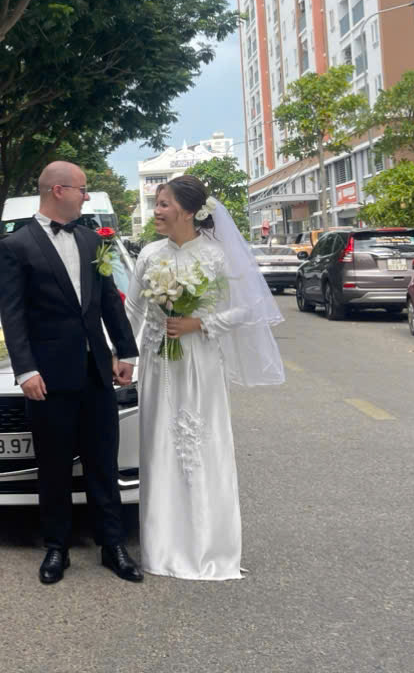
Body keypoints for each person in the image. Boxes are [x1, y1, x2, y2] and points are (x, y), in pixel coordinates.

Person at [125, 175, 285, 580]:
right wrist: (122, 355)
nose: (157, 211)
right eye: (157, 203)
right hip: (158, 363)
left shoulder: (217, 255)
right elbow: (134, 311)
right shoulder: (148, 254)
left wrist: (200, 322)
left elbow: (250, 308)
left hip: (200, 362)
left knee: (201, 445)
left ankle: (210, 545)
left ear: (190, 211)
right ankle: (161, 548)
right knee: (158, 445)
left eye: (164, 204)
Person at [0, 161, 140, 585]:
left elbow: (110, 302)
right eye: (82, 188)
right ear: (58, 190)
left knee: (102, 462)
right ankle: (56, 547)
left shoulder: (94, 241)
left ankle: (112, 545)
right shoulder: (15, 247)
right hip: (48, 378)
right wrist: (25, 370)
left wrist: (124, 351)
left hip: (96, 372)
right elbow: (13, 315)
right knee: (54, 466)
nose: (86, 195)